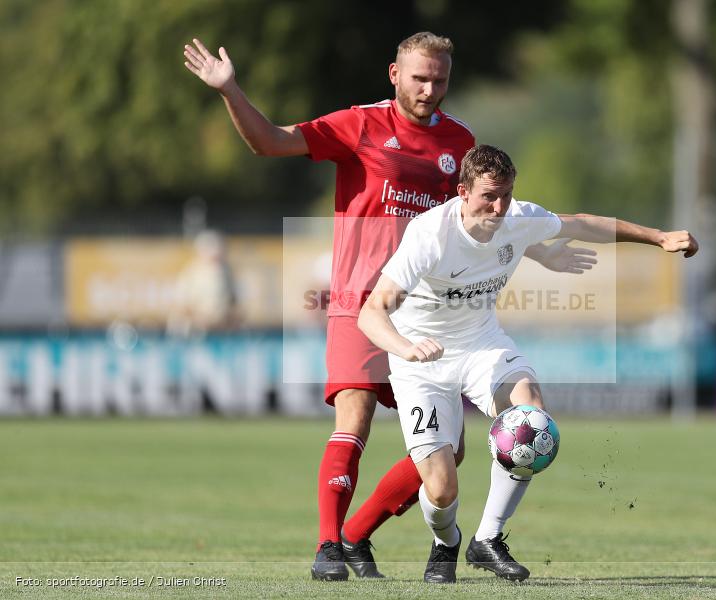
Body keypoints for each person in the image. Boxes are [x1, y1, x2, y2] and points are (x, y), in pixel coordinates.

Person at [184, 32, 597, 580]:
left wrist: (539, 250)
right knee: (353, 420)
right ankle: (329, 546)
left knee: (450, 451)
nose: (429, 89)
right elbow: (269, 142)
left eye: (440, 79)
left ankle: (357, 535)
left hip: (432, 310)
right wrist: (230, 90)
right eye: (419, 77)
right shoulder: (359, 124)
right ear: (394, 74)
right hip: (364, 297)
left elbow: (482, 215)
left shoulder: (460, 139)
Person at [358, 144, 698, 583]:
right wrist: (404, 347)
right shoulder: (430, 235)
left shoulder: (517, 216)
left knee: (530, 417)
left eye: (506, 195)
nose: (499, 207)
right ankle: (446, 544)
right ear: (462, 191)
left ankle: (488, 539)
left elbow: (581, 223)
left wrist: (659, 237)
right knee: (441, 489)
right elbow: (371, 311)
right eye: (488, 197)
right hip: (421, 360)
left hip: (481, 344)